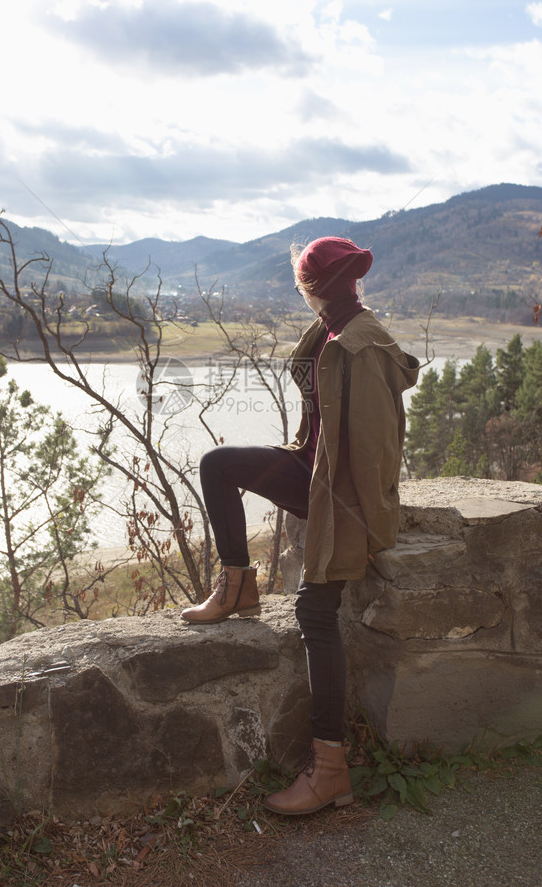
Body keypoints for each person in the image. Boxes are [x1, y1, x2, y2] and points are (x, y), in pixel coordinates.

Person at [181, 236, 420, 815]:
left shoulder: (360, 346)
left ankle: (331, 771)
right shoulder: (334, 332)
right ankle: (237, 584)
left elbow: (375, 452)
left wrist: (363, 527)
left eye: (301, 285)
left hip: (341, 498)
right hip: (312, 472)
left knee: (315, 612)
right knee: (218, 465)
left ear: (312, 287)